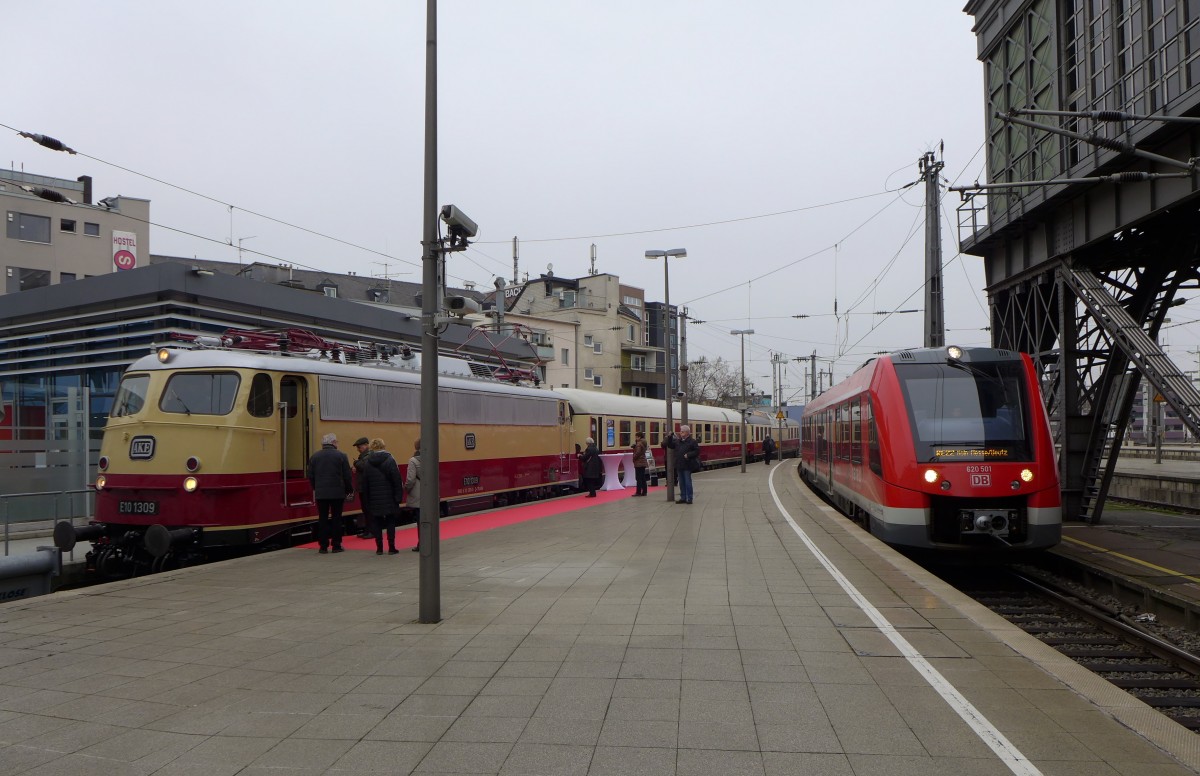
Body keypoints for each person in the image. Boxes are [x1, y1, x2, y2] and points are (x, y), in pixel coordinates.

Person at [307, 433, 353, 553]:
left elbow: (310, 476)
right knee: (336, 518)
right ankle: (336, 545)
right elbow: (347, 476)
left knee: (322, 518)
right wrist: (349, 490)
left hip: (321, 493)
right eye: (336, 442)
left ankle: (323, 546)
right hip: (337, 493)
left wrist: (316, 488)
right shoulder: (341, 455)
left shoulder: (314, 457)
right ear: (333, 443)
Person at [359, 438, 404, 555]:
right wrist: (398, 497)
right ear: (383, 446)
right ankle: (391, 547)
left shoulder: (368, 462)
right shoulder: (390, 460)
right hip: (389, 498)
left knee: (377, 522)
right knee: (390, 522)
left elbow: (365, 483)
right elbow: (396, 480)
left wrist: (367, 500)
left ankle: (379, 548)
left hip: (374, 498)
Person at [665, 424, 700, 504]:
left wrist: (688, 455)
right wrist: (670, 437)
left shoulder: (692, 441)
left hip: (687, 464)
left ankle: (689, 498)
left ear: (687, 433)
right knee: (681, 482)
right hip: (679, 464)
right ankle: (683, 497)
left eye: (682, 432)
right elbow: (670, 445)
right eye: (680, 432)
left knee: (687, 482)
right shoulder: (678, 441)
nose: (680, 433)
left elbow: (697, 451)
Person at [352, 436, 372, 538]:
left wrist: (355, 463)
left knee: (368, 510)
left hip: (366, 488)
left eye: (360, 447)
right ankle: (367, 531)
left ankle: (371, 531)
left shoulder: (368, 455)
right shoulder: (363, 457)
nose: (358, 449)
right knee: (365, 510)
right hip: (363, 487)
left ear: (366, 445)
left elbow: (364, 466)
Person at [405, 438, 422, 552]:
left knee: (420, 521)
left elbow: (410, 480)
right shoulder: (432, 458)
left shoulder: (413, 461)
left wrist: (406, 489)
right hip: (429, 493)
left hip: (418, 494)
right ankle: (430, 542)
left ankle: (421, 544)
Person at [631, 431, 649, 496]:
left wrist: (634, 458)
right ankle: (644, 491)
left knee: (638, 478)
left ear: (639, 437)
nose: (635, 438)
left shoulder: (639, 444)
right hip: (643, 462)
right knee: (643, 477)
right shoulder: (644, 442)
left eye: (636, 437)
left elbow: (638, 452)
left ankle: (638, 492)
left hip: (639, 462)